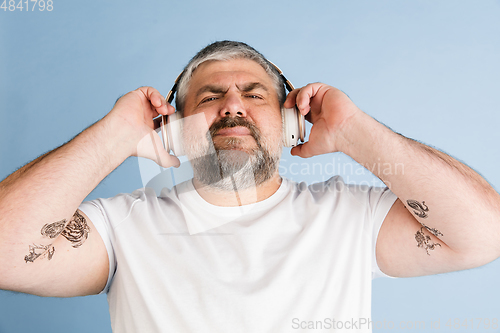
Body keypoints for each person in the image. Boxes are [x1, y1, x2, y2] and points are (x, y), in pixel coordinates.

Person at [0, 40, 499, 332]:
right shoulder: (122, 227)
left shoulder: (351, 217)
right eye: (211, 96)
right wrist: (113, 136)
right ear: (173, 128)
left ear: (291, 124)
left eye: (253, 94)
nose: (232, 105)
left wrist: (353, 132)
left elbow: (484, 233)